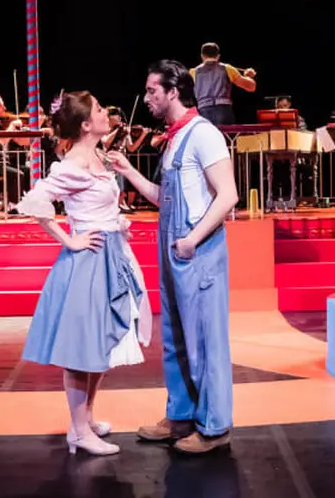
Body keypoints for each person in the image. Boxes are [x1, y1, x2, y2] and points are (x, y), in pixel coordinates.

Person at [108, 59, 239, 454]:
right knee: (175, 338)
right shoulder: (174, 138)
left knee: (205, 342)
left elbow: (228, 196)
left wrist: (192, 240)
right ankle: (181, 415)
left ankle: (214, 427)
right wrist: (129, 171)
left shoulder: (204, 135)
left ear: (173, 91)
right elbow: (163, 198)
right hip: (174, 249)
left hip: (197, 252)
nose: (147, 97)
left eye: (152, 90)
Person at [15, 90, 151, 456]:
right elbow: (35, 201)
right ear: (86, 124)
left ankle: (86, 418)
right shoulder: (73, 164)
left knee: (100, 342)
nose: (106, 113)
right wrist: (70, 240)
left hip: (110, 256)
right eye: (100, 109)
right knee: (82, 347)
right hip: (88, 262)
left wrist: (116, 223)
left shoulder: (98, 157)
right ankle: (77, 430)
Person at [189, 42, 256, 125]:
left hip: (203, 112)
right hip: (224, 111)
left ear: (202, 56)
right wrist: (249, 76)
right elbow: (251, 87)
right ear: (218, 56)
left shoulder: (193, 72)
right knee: (225, 134)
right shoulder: (227, 68)